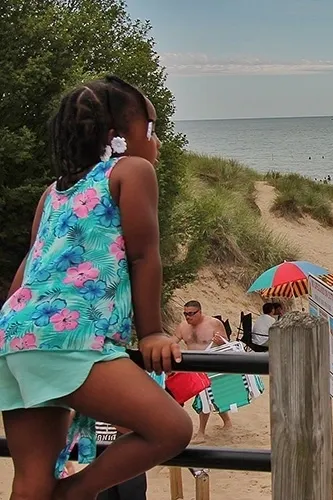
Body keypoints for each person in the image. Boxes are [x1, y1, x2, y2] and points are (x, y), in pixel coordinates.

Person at [0, 76, 192, 498]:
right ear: (118, 137)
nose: (157, 141)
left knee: (31, 480)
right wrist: (153, 332)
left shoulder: (52, 193)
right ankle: (77, 493)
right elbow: (144, 256)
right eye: (152, 128)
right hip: (70, 336)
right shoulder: (132, 171)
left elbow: (30, 267)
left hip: (17, 334)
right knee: (172, 428)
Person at [174, 301, 232, 442]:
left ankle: (201, 432)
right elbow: (172, 341)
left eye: (191, 314)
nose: (188, 317)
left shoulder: (214, 323)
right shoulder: (183, 326)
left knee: (204, 397)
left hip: (211, 366)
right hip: (193, 367)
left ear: (200, 312)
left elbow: (228, 345)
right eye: (186, 314)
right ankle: (227, 422)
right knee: (211, 397)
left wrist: (221, 342)